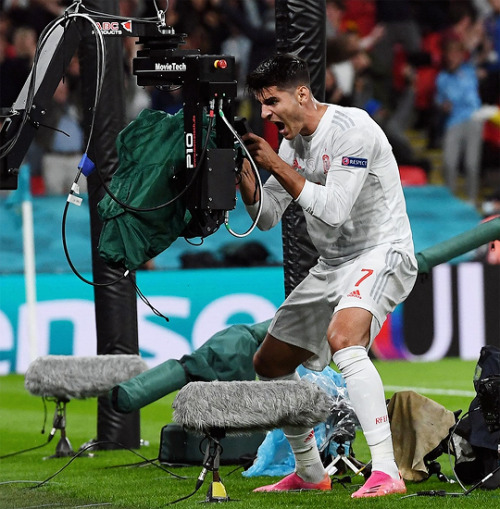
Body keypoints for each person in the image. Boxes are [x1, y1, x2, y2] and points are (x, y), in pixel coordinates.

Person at [238, 53, 418, 498]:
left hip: (383, 250)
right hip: (333, 264)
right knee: (271, 363)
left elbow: (335, 210)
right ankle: (310, 472)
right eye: (261, 105)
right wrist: (244, 170)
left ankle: (386, 471)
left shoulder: (351, 130)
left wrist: (276, 165)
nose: (266, 113)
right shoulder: (290, 144)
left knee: (345, 340)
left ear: (302, 94)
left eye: (271, 102)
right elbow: (265, 216)